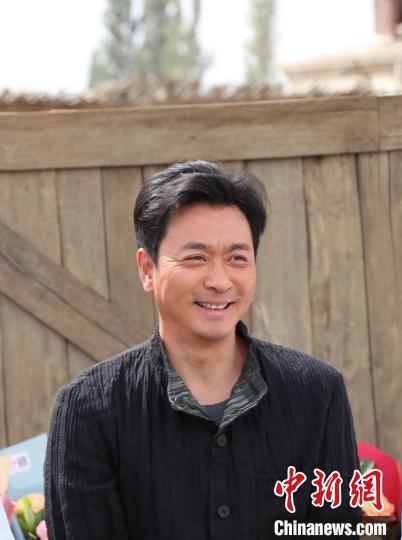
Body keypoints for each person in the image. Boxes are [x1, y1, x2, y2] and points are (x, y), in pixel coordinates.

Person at [45, 160, 361, 539]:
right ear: (147, 269)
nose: (219, 281)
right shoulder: (88, 410)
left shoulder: (318, 393)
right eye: (196, 257)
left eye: (237, 258)